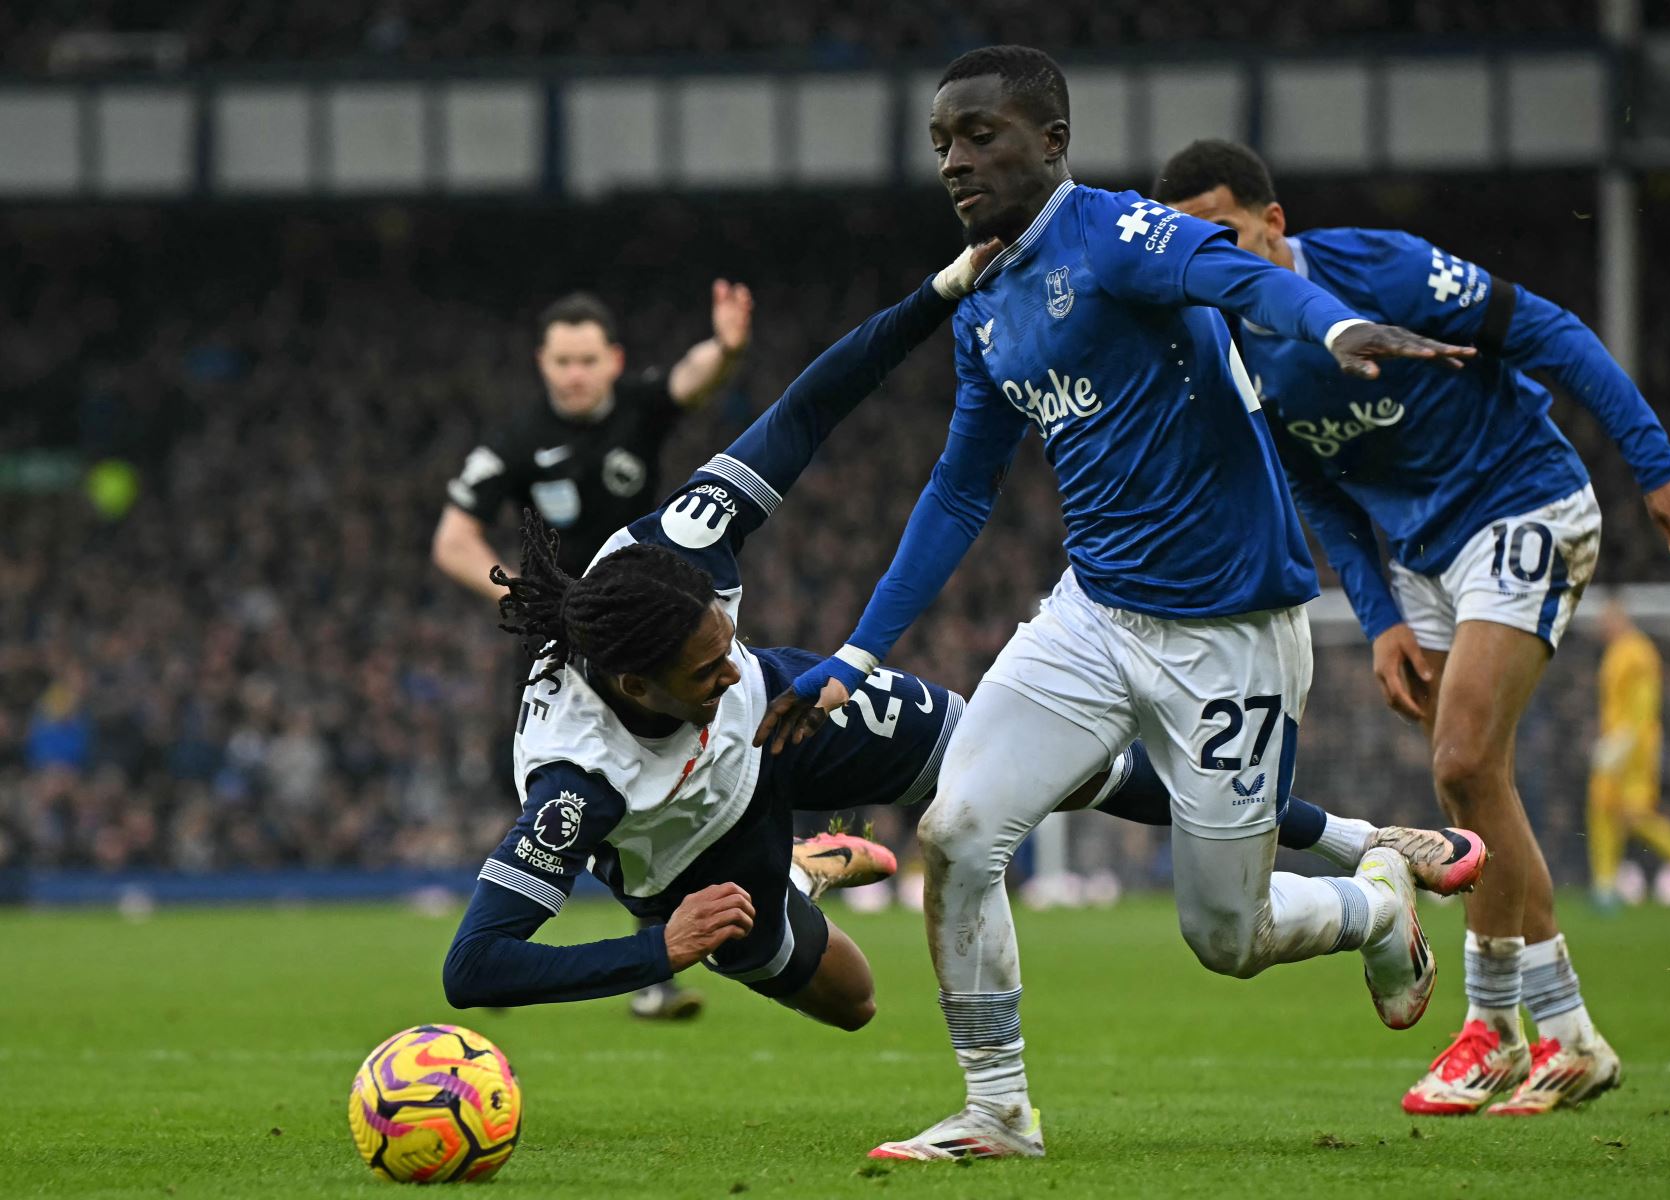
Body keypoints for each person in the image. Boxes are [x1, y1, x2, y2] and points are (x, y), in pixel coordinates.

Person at [754, 46, 1477, 1161]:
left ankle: (1377, 904)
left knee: (1224, 938)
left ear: (1052, 141)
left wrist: (1330, 326)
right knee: (958, 827)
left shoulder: (1121, 235)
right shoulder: (982, 298)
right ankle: (998, 1111)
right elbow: (959, 486)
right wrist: (857, 652)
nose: (956, 160)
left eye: (982, 134)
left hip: (1234, 632)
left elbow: (1241, 276)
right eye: (942, 141)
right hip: (1092, 617)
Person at [440, 244, 1190, 1026]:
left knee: (1017, 759)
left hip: (785, 716)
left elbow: (811, 405)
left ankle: (1282, 819)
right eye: (706, 671)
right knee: (853, 1001)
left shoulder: (689, 540)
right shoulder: (577, 784)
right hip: (697, 850)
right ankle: (797, 873)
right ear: (637, 689)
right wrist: (661, 950)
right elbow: (475, 967)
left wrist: (939, 289)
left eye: (722, 645)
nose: (726, 671)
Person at [1152, 138, 1670, 1116]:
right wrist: (1378, 618)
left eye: (1226, 236)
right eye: (1192, 252)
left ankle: (1493, 1029)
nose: (1215, 264)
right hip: (1421, 560)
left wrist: (1655, 460)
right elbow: (1316, 485)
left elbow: (1543, 328)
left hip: (1522, 504)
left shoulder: (1377, 269)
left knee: (1461, 762)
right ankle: (1568, 1034)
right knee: (1475, 782)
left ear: (1272, 224)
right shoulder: (1234, 343)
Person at [434, 282, 753, 1020]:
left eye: (587, 359)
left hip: (650, 642)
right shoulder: (515, 442)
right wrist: (527, 602)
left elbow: (690, 378)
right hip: (558, 651)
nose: (574, 374)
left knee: (659, 788)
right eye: (561, 361)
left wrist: (729, 350)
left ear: (612, 361)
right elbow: (451, 541)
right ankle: (503, 944)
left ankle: (644, 968)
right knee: (567, 800)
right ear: (542, 364)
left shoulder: (637, 407)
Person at [1587, 597, 1670, 909]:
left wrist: (1624, 742)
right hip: (1618, 744)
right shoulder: (1619, 652)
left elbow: (1642, 707)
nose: (1601, 627)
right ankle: (1605, 886)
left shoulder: (1637, 653)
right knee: (1605, 806)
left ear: (1619, 619)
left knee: (1633, 815)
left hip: (1634, 749)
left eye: (1606, 620)